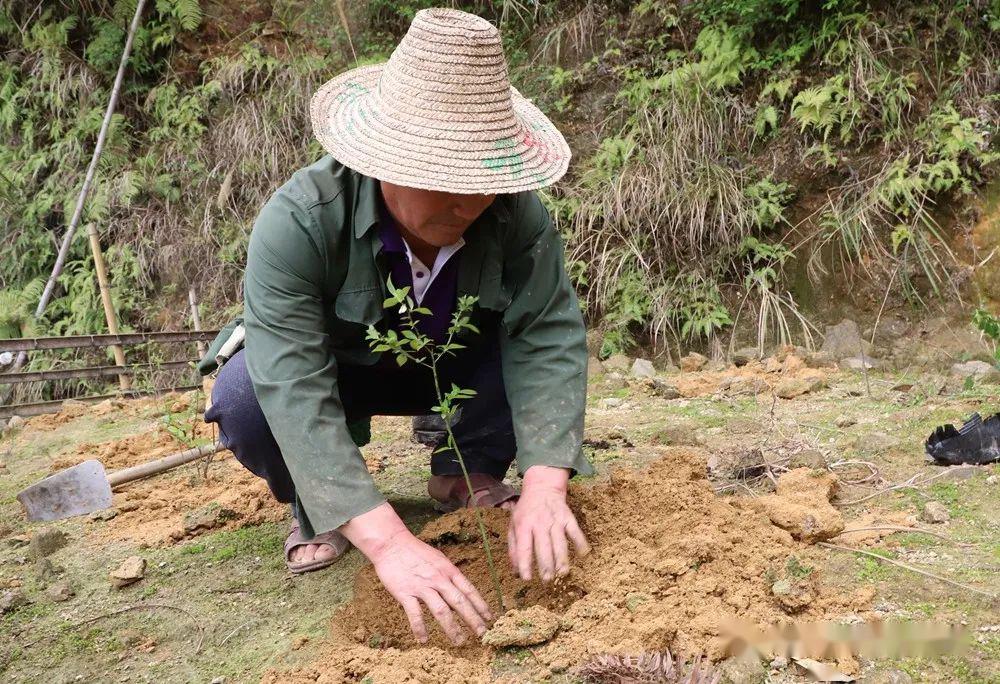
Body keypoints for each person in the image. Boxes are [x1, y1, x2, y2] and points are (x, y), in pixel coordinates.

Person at [200, 7, 592, 646]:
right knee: (245, 397)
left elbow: (546, 333)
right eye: (444, 178)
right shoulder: (299, 223)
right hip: (341, 375)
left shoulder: (516, 217)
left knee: (511, 348)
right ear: (381, 159)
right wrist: (387, 542)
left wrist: (548, 482)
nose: (467, 200)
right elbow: (292, 382)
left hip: (456, 368)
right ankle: (321, 505)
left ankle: (469, 468)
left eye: (482, 179)